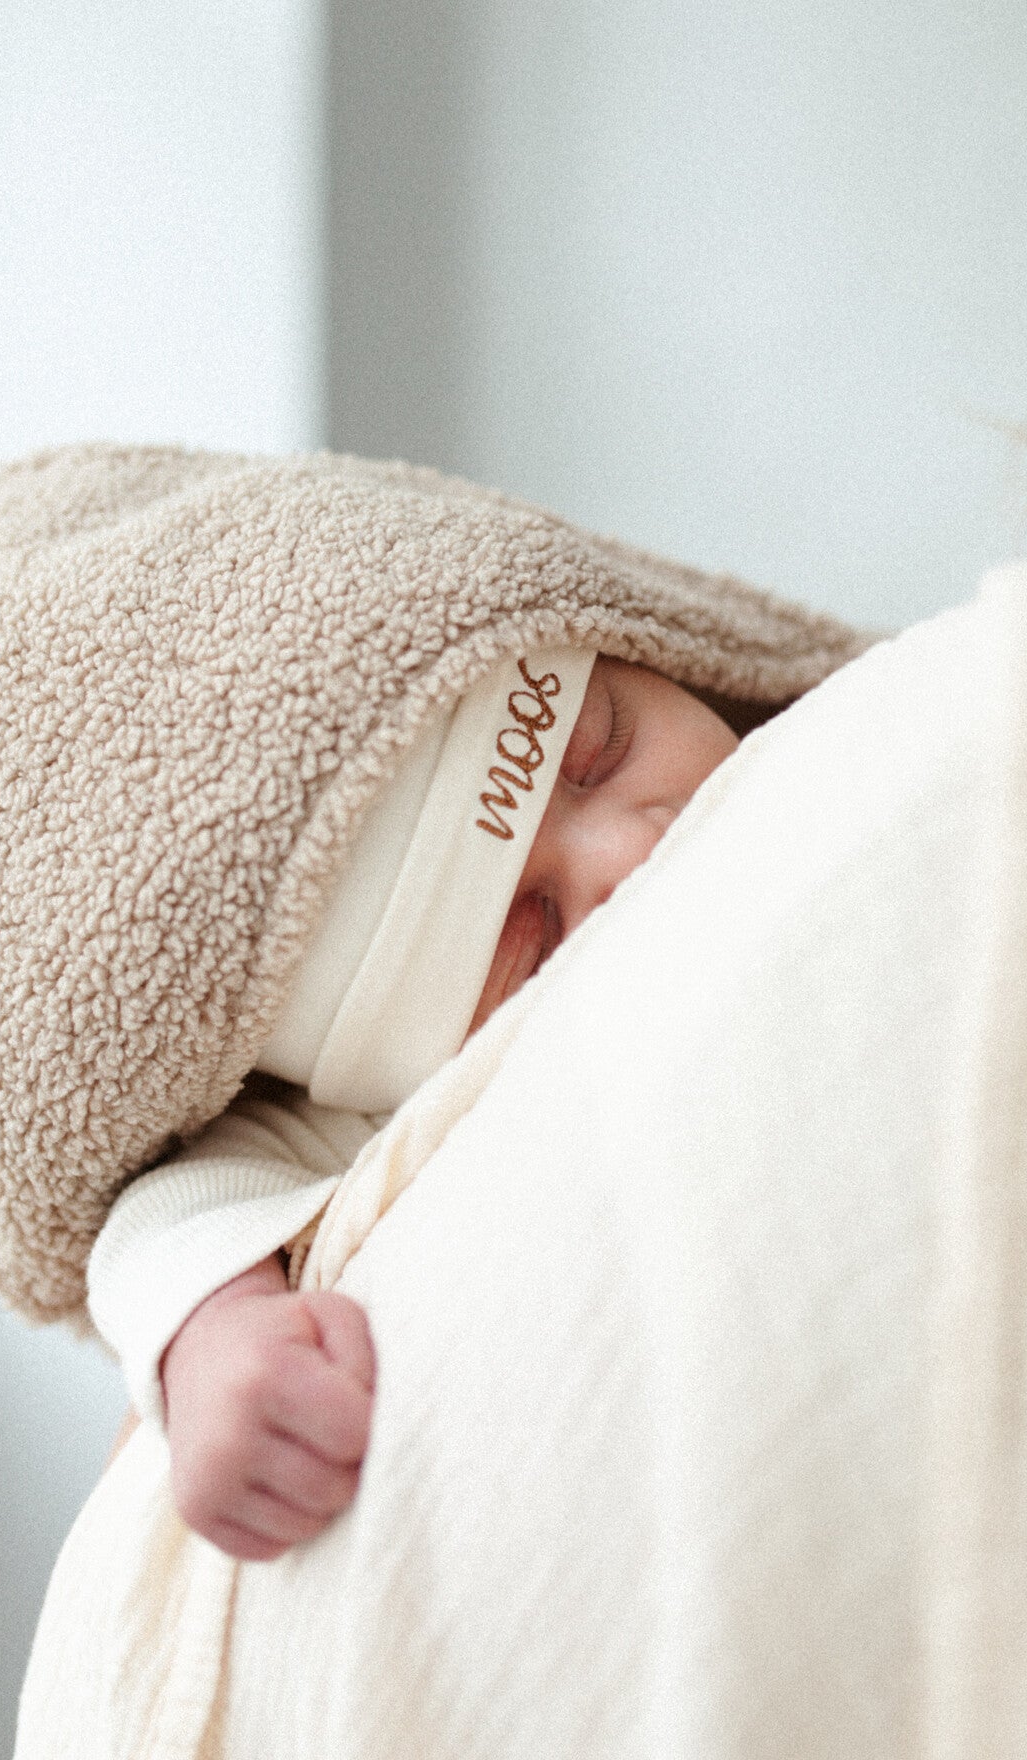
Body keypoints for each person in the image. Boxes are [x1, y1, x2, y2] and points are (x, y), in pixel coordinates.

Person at [91, 650, 742, 1561]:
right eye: (535, 937)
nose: (632, 855)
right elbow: (170, 1218)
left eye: (602, 747)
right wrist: (217, 1340)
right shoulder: (402, 1106)